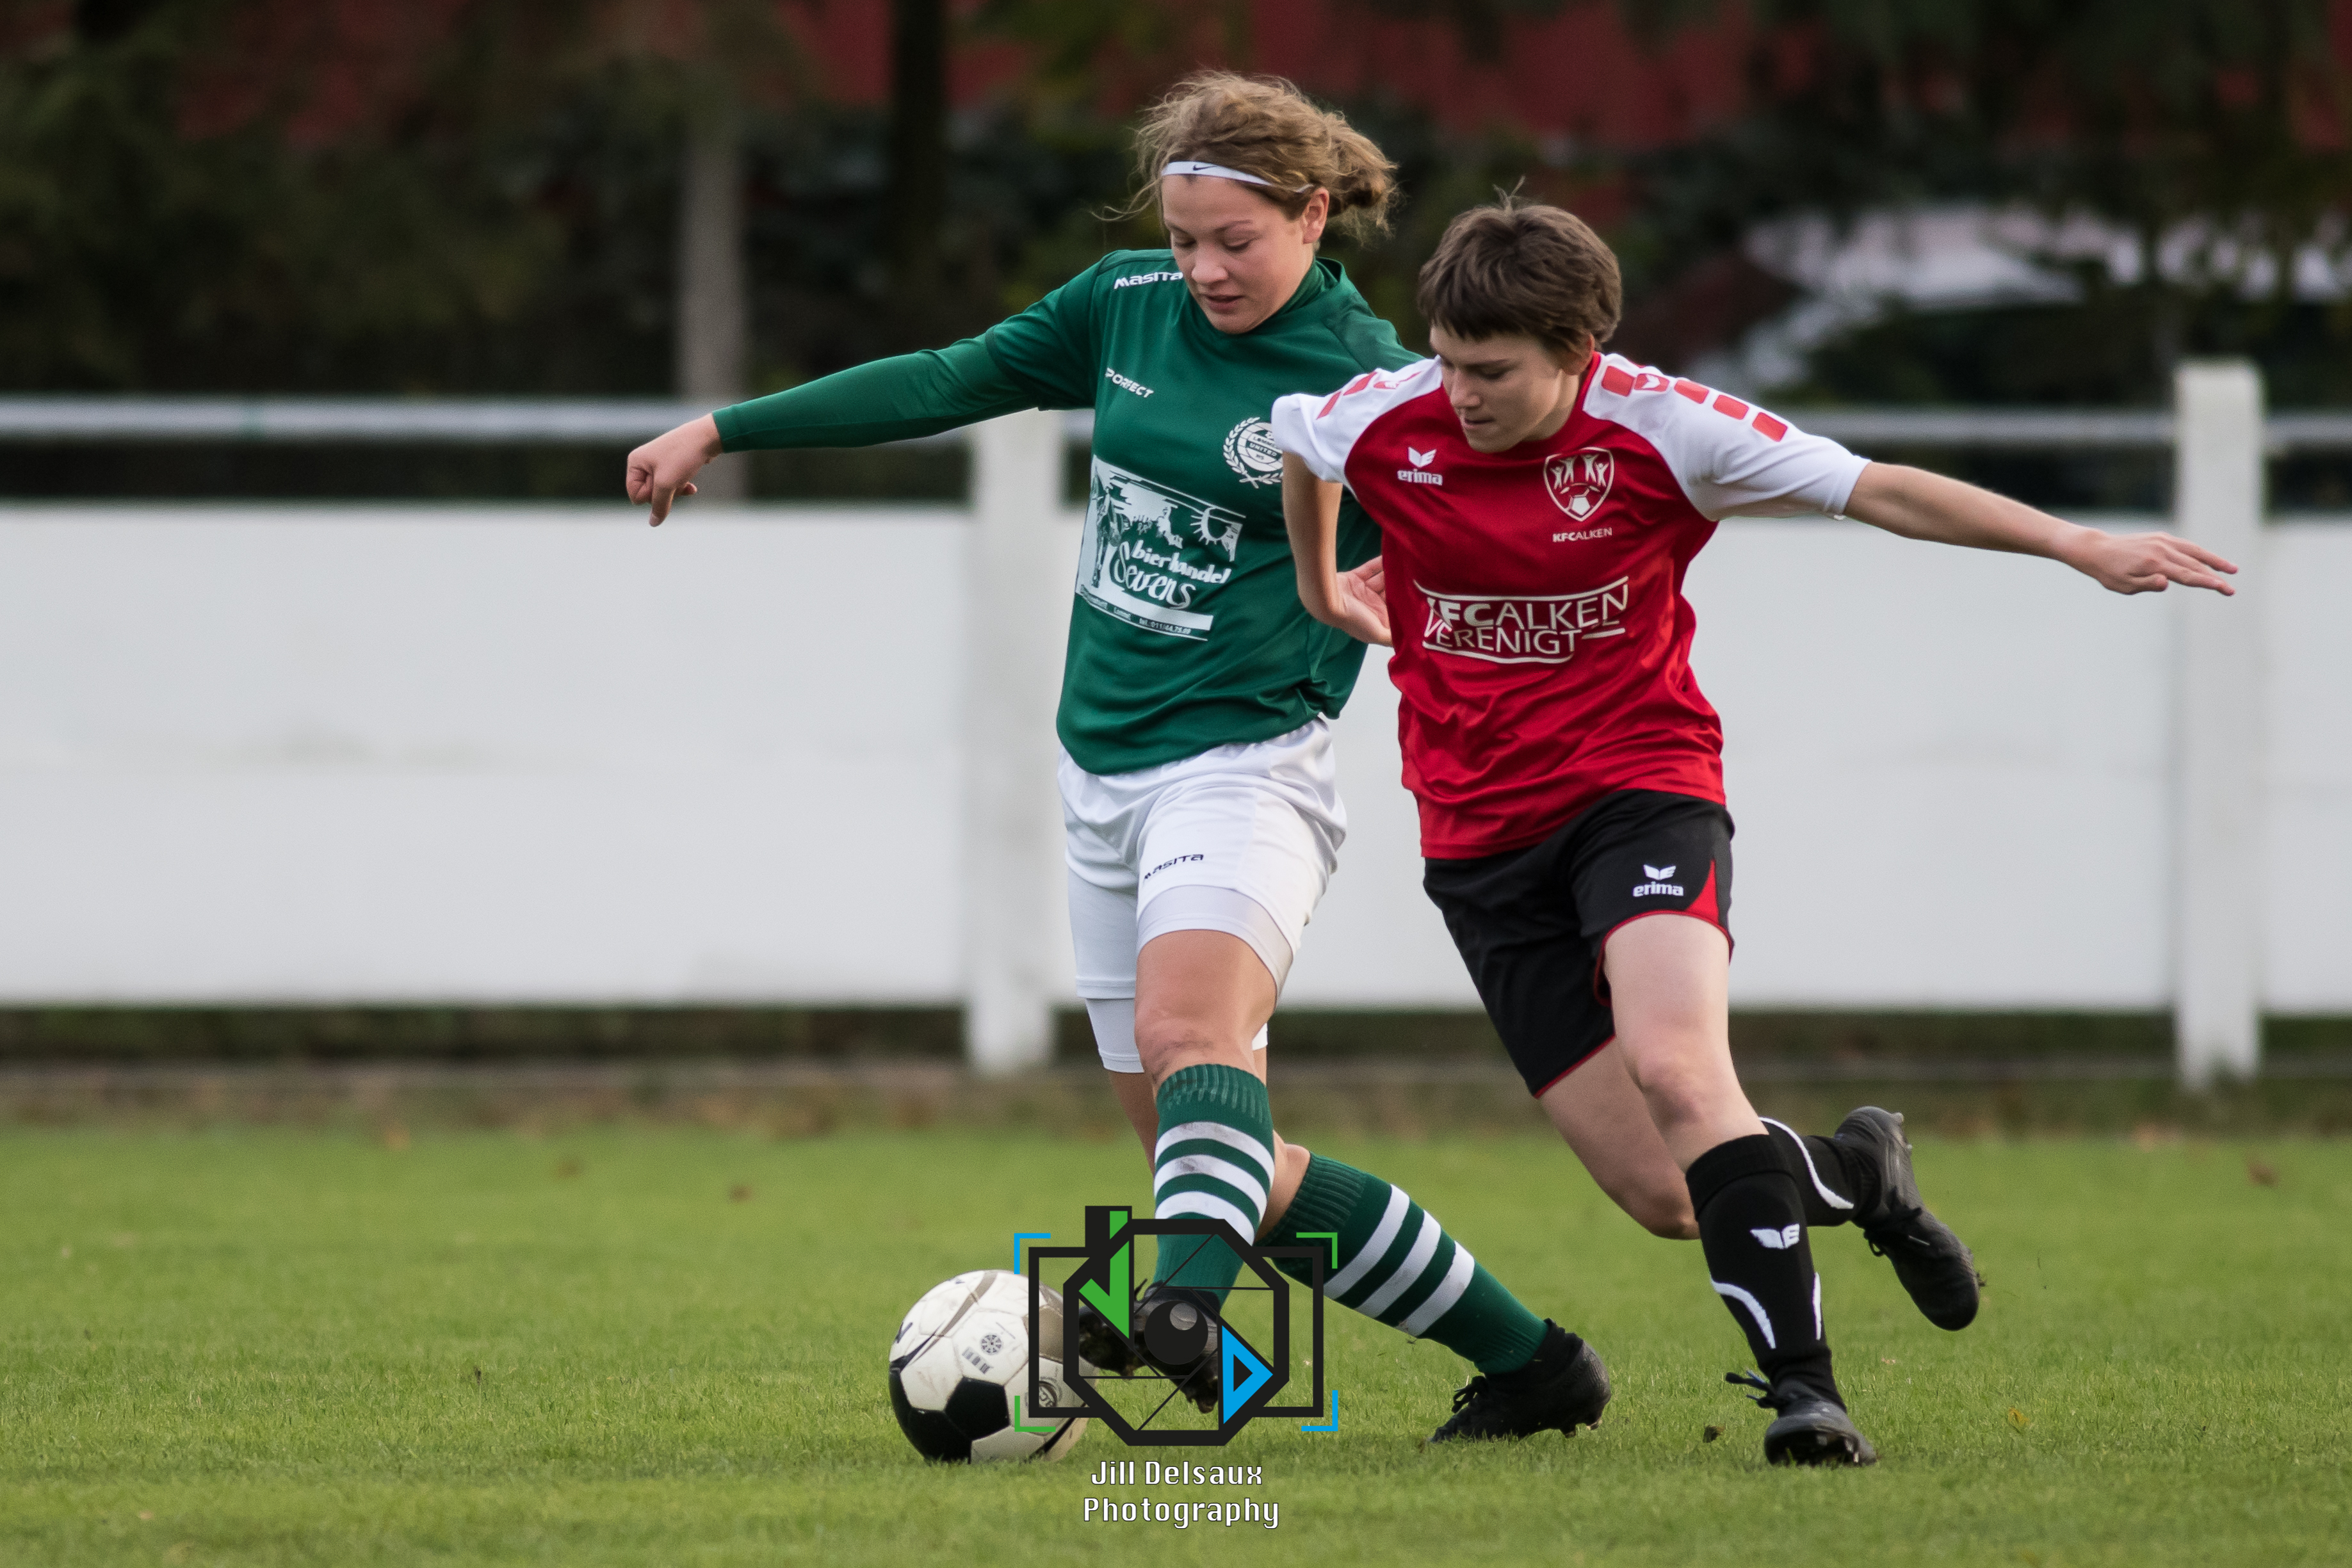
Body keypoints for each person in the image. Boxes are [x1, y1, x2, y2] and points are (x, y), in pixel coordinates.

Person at [624, 77, 1607, 1442]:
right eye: (1183, 236)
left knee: (1188, 1043)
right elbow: (946, 380)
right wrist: (725, 428)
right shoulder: (1122, 304)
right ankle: (1534, 1366)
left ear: (1313, 214)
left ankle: (1176, 1311)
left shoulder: (1373, 380)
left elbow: (1511, 521)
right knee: (1226, 1164)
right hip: (1099, 782)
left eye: (1234, 241)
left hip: (1245, 766)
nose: (1202, 268)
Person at [1270, 197, 2237, 1466]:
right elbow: (1301, 439)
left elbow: (1878, 488)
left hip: (1638, 791)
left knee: (1681, 1071)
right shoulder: (1387, 414)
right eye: (1449, 361)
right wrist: (1321, 586)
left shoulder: (1664, 425)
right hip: (1476, 841)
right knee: (1666, 1195)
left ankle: (1805, 1395)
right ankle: (1858, 1172)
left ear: (1578, 352)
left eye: (1492, 371)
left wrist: (2075, 543)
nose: (1460, 393)